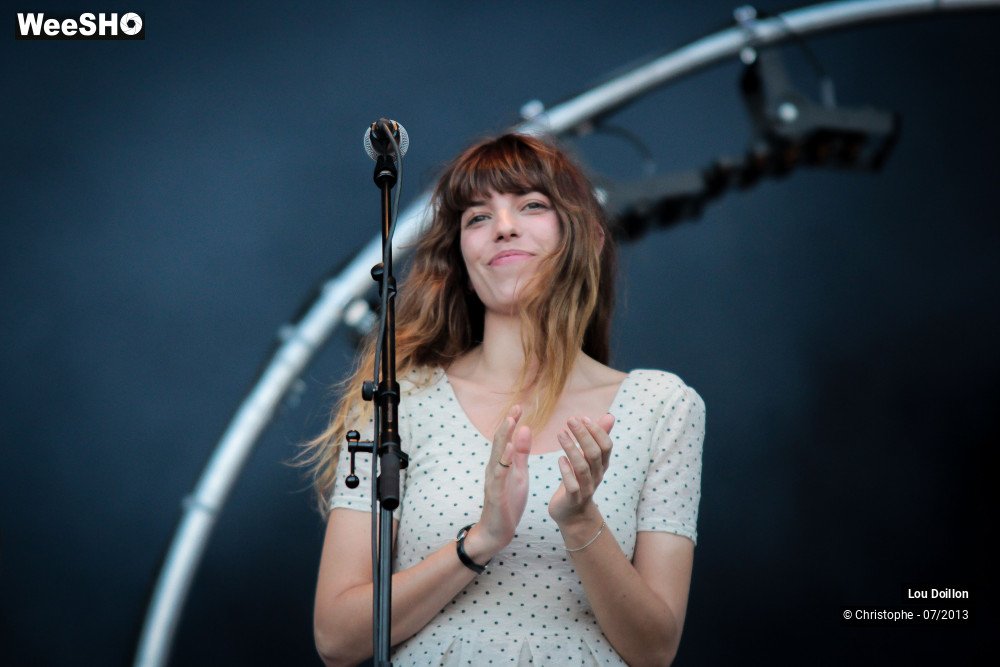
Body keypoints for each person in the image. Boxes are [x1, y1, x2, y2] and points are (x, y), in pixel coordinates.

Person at [305, 133, 704, 666]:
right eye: (477, 217)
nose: (504, 226)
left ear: (584, 237)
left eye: (532, 205)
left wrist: (581, 521)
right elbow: (337, 638)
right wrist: (482, 540)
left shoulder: (661, 406)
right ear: (461, 259)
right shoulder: (396, 401)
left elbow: (656, 649)